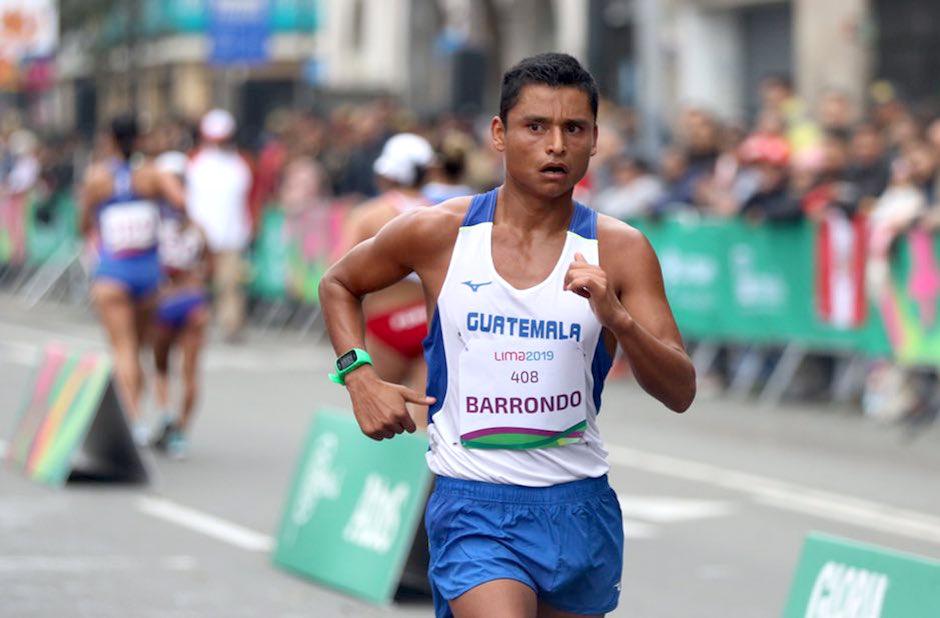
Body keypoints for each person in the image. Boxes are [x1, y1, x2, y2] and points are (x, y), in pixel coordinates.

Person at [319, 53, 695, 618]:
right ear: (500, 134)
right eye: (536, 126)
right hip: (474, 504)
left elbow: (680, 389)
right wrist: (358, 376)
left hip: (579, 507)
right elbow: (339, 283)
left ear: (595, 141)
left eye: (575, 129)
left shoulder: (620, 249)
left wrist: (618, 319)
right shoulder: (441, 233)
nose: (556, 146)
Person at [79, 115, 185, 442]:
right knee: (139, 347)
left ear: (110, 140)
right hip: (148, 272)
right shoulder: (153, 174)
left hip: (113, 272)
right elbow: (181, 204)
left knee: (124, 348)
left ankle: (134, 418)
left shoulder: (98, 177)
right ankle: (139, 413)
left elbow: (83, 222)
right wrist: (169, 223)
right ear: (139, 139)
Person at [336, 132, 435, 429]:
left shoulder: (368, 215)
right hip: (426, 323)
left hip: (385, 324)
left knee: (374, 416)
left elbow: (338, 269)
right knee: (424, 421)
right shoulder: (440, 215)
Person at [151, 151, 211, 459]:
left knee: (161, 364)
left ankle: (165, 416)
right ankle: (179, 432)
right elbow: (207, 266)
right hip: (193, 301)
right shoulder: (196, 226)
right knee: (190, 372)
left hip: (164, 301)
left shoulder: (152, 222)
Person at [186, 109, 253, 342]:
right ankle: (193, 322)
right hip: (199, 235)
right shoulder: (194, 162)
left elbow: (251, 197)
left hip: (232, 234)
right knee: (197, 282)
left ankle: (231, 325)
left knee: (230, 284)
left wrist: (250, 225)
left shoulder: (241, 163)